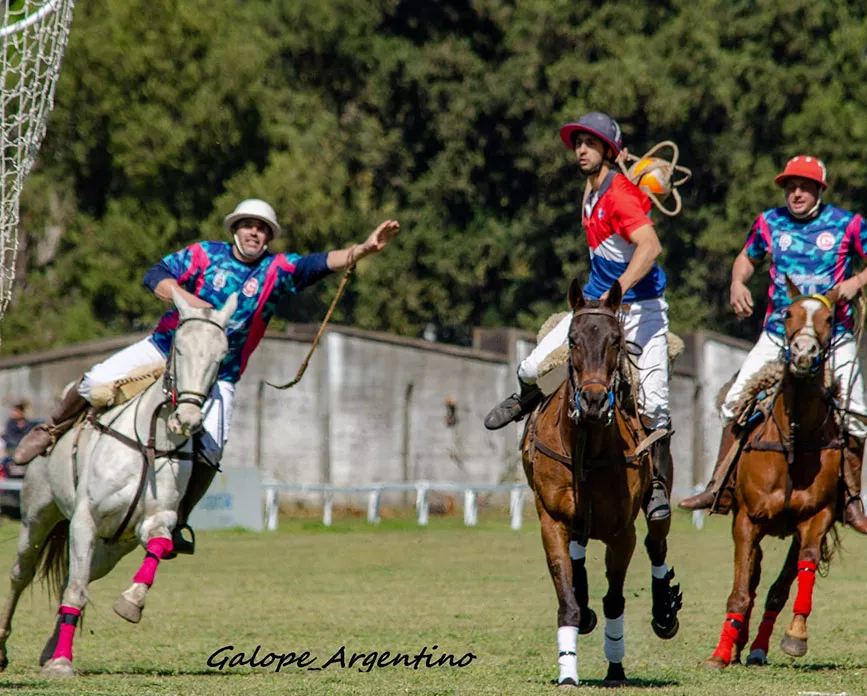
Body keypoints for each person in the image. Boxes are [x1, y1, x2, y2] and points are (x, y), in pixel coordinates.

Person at [14, 199, 399, 553]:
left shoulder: (275, 271)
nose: (255, 233)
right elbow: (156, 274)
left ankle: (177, 518)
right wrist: (185, 299)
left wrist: (362, 249)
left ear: (269, 237)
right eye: (249, 225)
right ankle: (50, 430)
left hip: (220, 374)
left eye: (263, 229)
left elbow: (317, 263)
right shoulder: (203, 255)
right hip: (164, 348)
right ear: (235, 228)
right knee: (93, 381)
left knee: (211, 448)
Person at [678, 156, 867, 535]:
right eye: (791, 186)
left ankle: (851, 500)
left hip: (832, 334)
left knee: (855, 408)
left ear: (819, 190)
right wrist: (737, 282)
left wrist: (856, 283)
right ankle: (719, 489)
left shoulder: (847, 223)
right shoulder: (769, 223)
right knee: (733, 401)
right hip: (779, 333)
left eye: (805, 186)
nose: (796, 193)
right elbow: (747, 257)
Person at [484, 112, 674, 522]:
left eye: (590, 143)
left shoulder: (619, 194)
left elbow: (650, 246)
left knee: (654, 404)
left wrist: (614, 291)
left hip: (640, 307)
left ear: (609, 148)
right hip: (593, 309)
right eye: (578, 144)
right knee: (533, 365)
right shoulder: (592, 192)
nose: (581, 150)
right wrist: (600, 300)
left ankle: (656, 484)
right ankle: (527, 398)